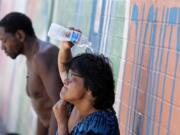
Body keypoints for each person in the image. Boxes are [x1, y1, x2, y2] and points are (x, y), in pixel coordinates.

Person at [0, 12, 63, 135]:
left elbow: (60, 105)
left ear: (19, 35)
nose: (2, 47)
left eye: (4, 40)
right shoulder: (32, 58)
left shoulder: (43, 57)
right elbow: (44, 109)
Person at [53, 40, 120, 135]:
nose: (66, 81)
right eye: (69, 76)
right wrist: (65, 47)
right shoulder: (78, 105)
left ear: (90, 88)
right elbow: (64, 68)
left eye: (72, 77)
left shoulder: (100, 126)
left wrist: (62, 123)